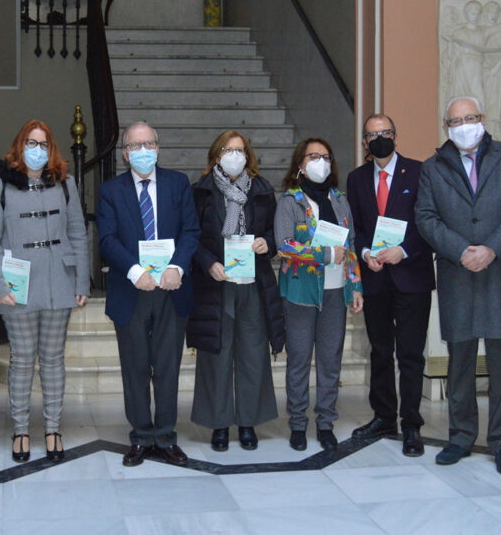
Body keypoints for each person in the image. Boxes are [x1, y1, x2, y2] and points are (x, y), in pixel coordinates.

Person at [415, 95, 501, 476]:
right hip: (457, 272)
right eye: (455, 121)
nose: (463, 125)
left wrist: (492, 249)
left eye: (469, 118)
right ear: (446, 126)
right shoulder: (433, 168)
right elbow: (425, 216)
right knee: (460, 363)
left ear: (482, 119)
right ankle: (461, 436)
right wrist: (460, 249)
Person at [0, 119, 89, 463]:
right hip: (18, 285)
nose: (37, 149)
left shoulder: (66, 184)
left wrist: (81, 281)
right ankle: (21, 431)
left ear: (52, 149)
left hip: (60, 280)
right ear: (19, 145)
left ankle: (54, 429)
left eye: (43, 144)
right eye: (31, 142)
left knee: (54, 360)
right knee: (23, 360)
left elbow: (78, 233)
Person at [97, 122, 200, 467]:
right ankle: (141, 436)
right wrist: (135, 271)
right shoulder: (111, 190)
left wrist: (178, 268)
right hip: (131, 292)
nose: (143, 151)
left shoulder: (178, 184)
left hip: (172, 290)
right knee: (136, 368)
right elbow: (107, 239)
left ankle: (166, 436)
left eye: (149, 144)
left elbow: (191, 231)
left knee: (168, 368)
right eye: (135, 146)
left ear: (158, 147)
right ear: (125, 153)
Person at [187, 131, 284, 452]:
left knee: (253, 354)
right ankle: (218, 423)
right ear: (216, 155)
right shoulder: (200, 192)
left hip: (253, 283)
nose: (235, 155)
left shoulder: (261, 189)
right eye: (228, 150)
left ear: (248, 155)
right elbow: (190, 237)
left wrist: (266, 243)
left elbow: (275, 232)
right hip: (216, 284)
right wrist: (208, 262)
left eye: (240, 150)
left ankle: (247, 422)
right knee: (216, 355)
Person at [346, 114, 435, 457]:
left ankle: (411, 424)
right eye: (372, 135)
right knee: (380, 351)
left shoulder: (419, 171)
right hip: (375, 277)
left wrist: (404, 249)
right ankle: (384, 416)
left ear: (396, 136)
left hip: (411, 275)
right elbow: (355, 225)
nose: (379, 138)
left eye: (385, 133)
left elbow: (428, 220)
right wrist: (366, 252)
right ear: (365, 142)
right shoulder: (356, 179)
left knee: (411, 354)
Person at [275, 138, 363, 452]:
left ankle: (325, 422)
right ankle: (298, 424)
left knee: (330, 361)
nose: (320, 162)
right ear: (300, 164)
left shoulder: (339, 200)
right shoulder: (290, 201)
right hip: (300, 293)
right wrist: (324, 254)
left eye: (325, 156)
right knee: (299, 360)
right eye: (313, 156)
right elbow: (284, 246)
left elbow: (349, 246)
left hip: (336, 291)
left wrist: (355, 287)